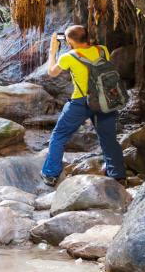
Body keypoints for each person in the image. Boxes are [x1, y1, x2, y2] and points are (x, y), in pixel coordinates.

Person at [40, 25, 126, 186]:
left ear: (70, 41)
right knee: (109, 138)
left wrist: (53, 51)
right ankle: (118, 176)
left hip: (81, 102)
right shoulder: (103, 50)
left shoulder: (68, 57)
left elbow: (51, 72)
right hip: (104, 99)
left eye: (66, 39)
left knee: (59, 136)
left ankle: (51, 174)